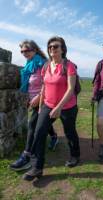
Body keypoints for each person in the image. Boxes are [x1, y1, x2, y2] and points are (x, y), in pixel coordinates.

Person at [22, 36, 80, 181]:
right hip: (48, 104)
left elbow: (71, 89)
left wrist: (59, 107)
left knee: (70, 132)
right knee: (39, 133)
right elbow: (44, 87)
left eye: (55, 46)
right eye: (50, 47)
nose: (52, 49)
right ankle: (37, 167)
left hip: (67, 106)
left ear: (62, 49)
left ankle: (75, 155)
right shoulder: (46, 66)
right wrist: (41, 106)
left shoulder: (69, 66)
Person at [10, 40, 58, 171]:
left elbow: (48, 83)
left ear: (35, 49)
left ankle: (27, 155)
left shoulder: (43, 63)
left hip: (44, 100)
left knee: (32, 125)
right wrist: (28, 98)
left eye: (27, 50)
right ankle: (54, 136)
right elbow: (29, 85)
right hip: (34, 100)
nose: (24, 53)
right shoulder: (29, 64)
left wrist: (38, 97)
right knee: (41, 124)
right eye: (22, 51)